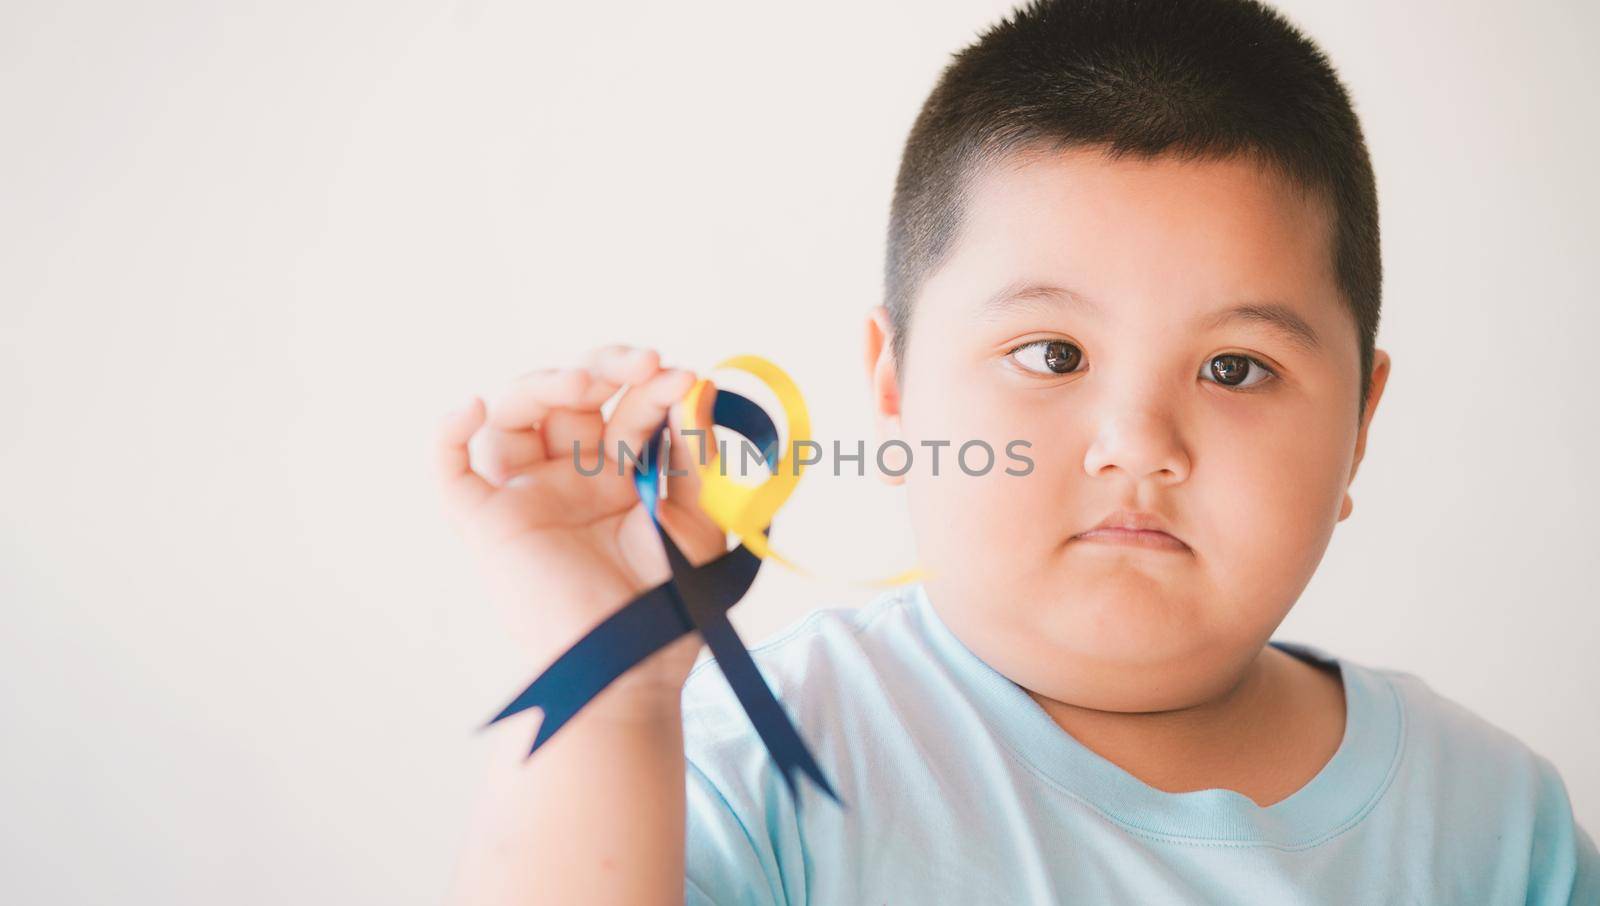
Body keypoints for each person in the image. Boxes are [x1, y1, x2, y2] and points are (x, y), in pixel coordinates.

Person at [433, 0, 1599, 902]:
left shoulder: (1494, 823)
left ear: (1359, 430)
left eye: (1235, 368)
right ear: (893, 392)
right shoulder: (752, 763)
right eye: (1050, 355)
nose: (1138, 445)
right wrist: (608, 686)